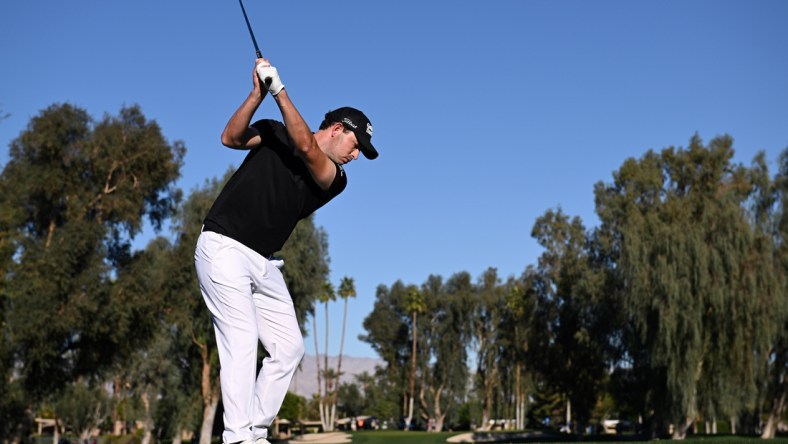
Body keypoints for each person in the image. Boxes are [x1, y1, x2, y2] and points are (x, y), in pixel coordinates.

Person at [194, 57, 378, 444]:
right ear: (339, 129)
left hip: (263, 262)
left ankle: (256, 430)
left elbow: (308, 148)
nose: (356, 155)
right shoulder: (274, 131)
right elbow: (230, 137)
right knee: (242, 340)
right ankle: (238, 436)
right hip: (224, 246)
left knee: (289, 348)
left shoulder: (335, 178)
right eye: (356, 144)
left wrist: (279, 90)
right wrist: (257, 94)